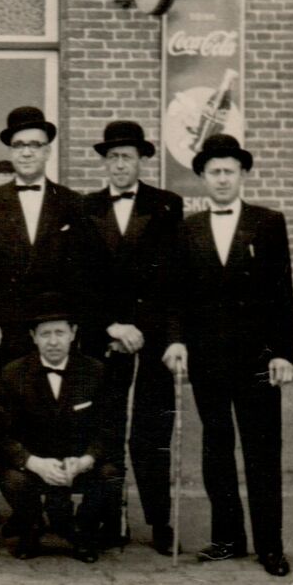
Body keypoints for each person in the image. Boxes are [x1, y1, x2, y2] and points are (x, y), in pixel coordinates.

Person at [163, 134, 293, 577]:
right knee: (216, 449)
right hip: (207, 360)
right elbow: (176, 297)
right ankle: (228, 538)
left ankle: (270, 545)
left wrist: (282, 353)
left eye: (229, 171)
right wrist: (177, 340)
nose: (222, 178)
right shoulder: (187, 229)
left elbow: (282, 295)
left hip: (257, 360)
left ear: (243, 175)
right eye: (214, 172)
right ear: (202, 177)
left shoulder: (268, 223)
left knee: (262, 450)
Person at [82, 120, 183, 554]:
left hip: (151, 343)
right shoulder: (86, 208)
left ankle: (160, 522)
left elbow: (174, 279)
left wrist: (146, 330)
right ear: (104, 162)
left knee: (151, 433)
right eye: (112, 157)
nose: (119, 164)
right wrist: (110, 326)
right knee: (106, 429)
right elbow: (80, 281)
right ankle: (109, 518)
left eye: (127, 156)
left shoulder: (166, 206)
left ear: (141, 160)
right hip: (105, 341)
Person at [0, 292, 120, 564]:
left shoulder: (96, 371)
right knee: (10, 478)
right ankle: (31, 527)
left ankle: (82, 531)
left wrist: (86, 460)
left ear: (73, 333)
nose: (53, 341)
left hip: (78, 460)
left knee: (111, 474)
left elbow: (109, 428)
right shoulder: (13, 373)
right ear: (33, 336)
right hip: (36, 461)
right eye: (45, 334)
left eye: (60, 333)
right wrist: (33, 462)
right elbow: (3, 434)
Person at [0, 107, 97, 366]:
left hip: (55, 336)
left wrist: (73, 328)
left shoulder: (73, 203)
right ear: (10, 152)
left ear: (47, 151)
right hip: (3, 334)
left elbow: (85, 274)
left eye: (34, 145)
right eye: (18, 145)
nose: (26, 152)